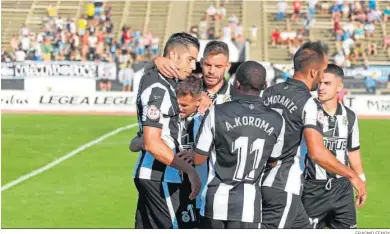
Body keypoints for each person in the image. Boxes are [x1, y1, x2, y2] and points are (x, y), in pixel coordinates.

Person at [260, 41, 366, 229]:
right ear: (314, 72)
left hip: (261, 178)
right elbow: (316, 152)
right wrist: (353, 176)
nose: (322, 79)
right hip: (284, 183)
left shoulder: (268, 93)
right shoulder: (309, 103)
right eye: (323, 71)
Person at [193, 61, 285, 229]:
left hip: (215, 202)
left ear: (236, 83)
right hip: (249, 206)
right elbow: (273, 161)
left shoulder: (216, 112)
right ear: (264, 86)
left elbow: (198, 159)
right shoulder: (277, 119)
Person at [133, 32, 201, 229]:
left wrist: (155, 60)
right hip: (159, 175)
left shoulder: (164, 83)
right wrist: (190, 171)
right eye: (190, 59)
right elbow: (152, 143)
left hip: (157, 174)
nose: (193, 66)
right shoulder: (158, 87)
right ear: (173, 55)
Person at [302, 64, 366, 229]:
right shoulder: (309, 110)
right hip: (313, 188)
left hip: (342, 189)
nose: (321, 87)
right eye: (320, 83)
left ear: (340, 86)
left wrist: (361, 181)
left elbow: (352, 150)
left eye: (327, 84)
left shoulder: (349, 116)